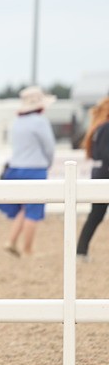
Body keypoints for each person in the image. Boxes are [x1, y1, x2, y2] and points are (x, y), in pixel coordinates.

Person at [0, 86, 57, 257]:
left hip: (16, 168)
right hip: (35, 169)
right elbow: (49, 147)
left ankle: (11, 241)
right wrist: (48, 164)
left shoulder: (17, 122)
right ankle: (28, 249)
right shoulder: (40, 121)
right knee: (33, 211)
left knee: (23, 208)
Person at [76, 97, 109, 260]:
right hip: (106, 174)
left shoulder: (98, 128)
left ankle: (81, 250)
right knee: (96, 215)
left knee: (96, 215)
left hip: (100, 174)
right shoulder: (106, 128)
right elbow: (104, 153)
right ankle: (81, 251)